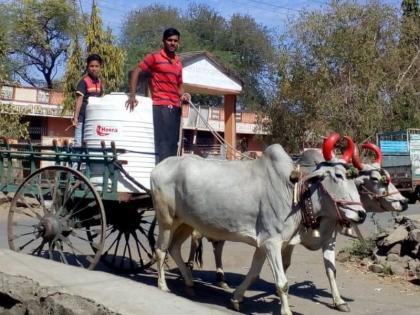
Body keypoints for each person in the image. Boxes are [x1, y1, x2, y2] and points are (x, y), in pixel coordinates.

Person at [125, 28, 190, 164]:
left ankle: (170, 179)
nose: (172, 43)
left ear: (178, 43)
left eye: (175, 41)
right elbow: (136, 72)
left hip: (175, 107)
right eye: (169, 40)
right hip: (161, 106)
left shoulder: (178, 62)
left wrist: (183, 95)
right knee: (164, 145)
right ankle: (162, 179)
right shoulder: (154, 57)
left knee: (173, 144)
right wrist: (132, 95)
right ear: (163, 41)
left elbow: (179, 86)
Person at [72, 54, 103, 147]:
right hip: (82, 119)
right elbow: (79, 99)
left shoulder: (100, 82)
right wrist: (76, 118)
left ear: (100, 67)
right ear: (88, 67)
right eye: (91, 66)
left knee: (90, 144)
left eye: (96, 66)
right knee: (78, 144)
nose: (94, 68)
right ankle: (75, 162)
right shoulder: (84, 82)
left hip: (93, 120)